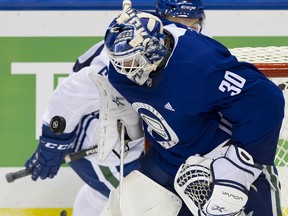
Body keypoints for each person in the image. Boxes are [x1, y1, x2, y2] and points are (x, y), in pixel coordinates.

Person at [24, 1, 208, 216]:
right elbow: (70, 94)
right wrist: (53, 141)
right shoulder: (132, 47)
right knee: (140, 195)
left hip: (133, 130)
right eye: (177, 24)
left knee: (106, 193)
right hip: (97, 133)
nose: (184, 32)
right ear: (162, 20)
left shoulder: (197, 43)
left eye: (192, 26)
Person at [102, 7, 284, 216]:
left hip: (218, 162)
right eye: (118, 61)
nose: (124, 68)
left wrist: (238, 168)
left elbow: (266, 100)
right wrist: (121, 109)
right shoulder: (121, 71)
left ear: (154, 50)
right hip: (166, 161)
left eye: (130, 61)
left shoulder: (200, 64)